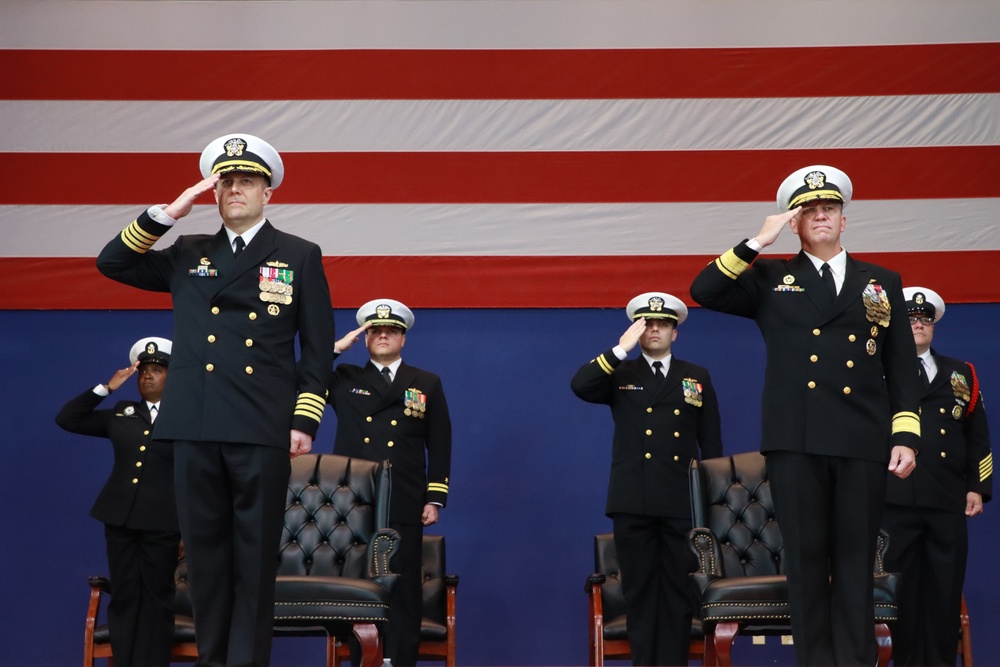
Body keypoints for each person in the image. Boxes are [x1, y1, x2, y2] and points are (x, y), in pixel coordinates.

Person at [96, 133, 335, 667]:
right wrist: (166, 214)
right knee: (204, 557)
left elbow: (317, 349)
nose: (234, 190)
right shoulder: (187, 252)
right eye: (225, 182)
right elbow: (112, 264)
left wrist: (305, 418)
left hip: (260, 422)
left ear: (267, 193)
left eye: (246, 182)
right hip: (194, 422)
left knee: (252, 558)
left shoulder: (298, 254)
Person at [689, 165, 921, 665]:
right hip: (797, 439)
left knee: (857, 563)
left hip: (862, 438)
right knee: (807, 562)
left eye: (830, 209)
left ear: (843, 220)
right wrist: (758, 239)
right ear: (795, 222)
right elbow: (704, 290)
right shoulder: (771, 277)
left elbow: (901, 368)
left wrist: (905, 437)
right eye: (809, 210)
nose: (821, 216)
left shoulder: (881, 281)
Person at [570, 292, 723, 666]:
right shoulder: (621, 372)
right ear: (637, 330)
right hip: (632, 500)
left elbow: (712, 444)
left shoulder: (695, 376)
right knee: (638, 592)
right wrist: (619, 349)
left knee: (676, 593)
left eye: (663, 324)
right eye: (647, 324)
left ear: (675, 332)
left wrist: (711, 505)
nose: (655, 330)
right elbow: (581, 385)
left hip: (678, 502)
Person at [328, 299, 452, 667]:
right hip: (355, 500)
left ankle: (400, 661)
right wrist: (334, 349)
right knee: (355, 588)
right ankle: (361, 661)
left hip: (405, 496)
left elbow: (440, 441)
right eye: (375, 331)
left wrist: (435, 496)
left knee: (402, 588)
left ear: (403, 339)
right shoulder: (344, 378)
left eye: (392, 331)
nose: (383, 335)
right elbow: (293, 379)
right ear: (365, 338)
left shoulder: (426, 381)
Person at [882, 286, 993, 666]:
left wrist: (978, 487)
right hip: (892, 500)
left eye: (924, 320)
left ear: (934, 327)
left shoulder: (962, 373)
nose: (918, 326)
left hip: (946, 500)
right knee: (900, 595)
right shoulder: (879, 368)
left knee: (945, 593)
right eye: (910, 320)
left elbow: (977, 437)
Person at [56, 337, 179, 667]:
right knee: (125, 595)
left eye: (157, 370)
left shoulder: (187, 417)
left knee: (157, 598)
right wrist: (106, 388)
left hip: (164, 520)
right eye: (143, 372)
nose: (147, 377)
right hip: (120, 518)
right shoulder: (122, 414)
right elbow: (68, 418)